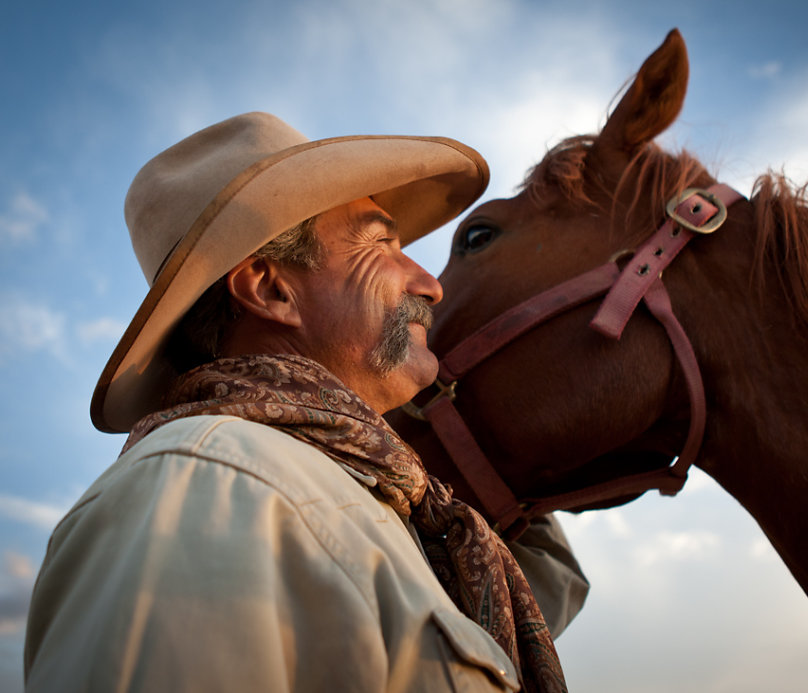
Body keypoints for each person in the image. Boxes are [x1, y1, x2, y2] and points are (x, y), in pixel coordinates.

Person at [23, 112, 587, 692]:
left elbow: (534, 590)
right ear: (270, 289)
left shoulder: (384, 501)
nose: (429, 282)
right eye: (382, 243)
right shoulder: (210, 477)